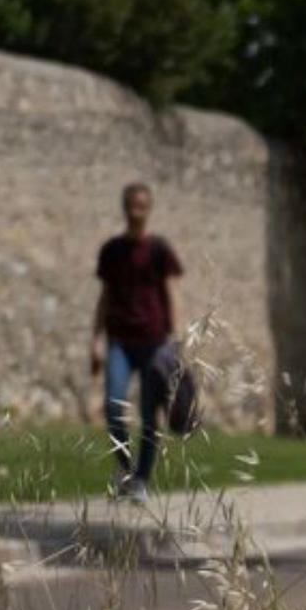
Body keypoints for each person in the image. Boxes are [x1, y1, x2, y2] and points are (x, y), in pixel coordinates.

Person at [91, 183, 183, 503]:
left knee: (149, 414)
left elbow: (170, 293)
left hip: (155, 342)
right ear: (124, 207)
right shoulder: (112, 250)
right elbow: (104, 296)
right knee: (114, 408)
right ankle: (126, 470)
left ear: (149, 209)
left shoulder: (159, 249)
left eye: (142, 206)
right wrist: (95, 338)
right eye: (132, 205)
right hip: (119, 341)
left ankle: (142, 479)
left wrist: (175, 339)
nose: (136, 212)